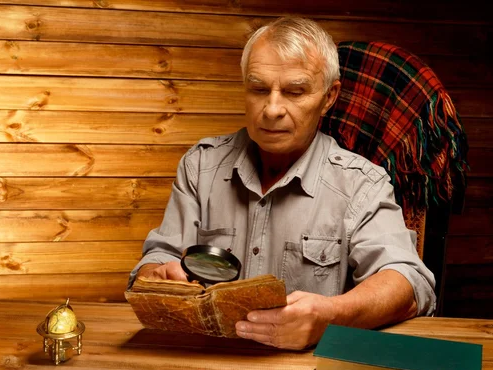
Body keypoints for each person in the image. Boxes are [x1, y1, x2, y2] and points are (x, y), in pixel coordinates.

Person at [128, 16, 436, 350]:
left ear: (329, 97)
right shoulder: (200, 166)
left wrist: (330, 316)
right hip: (205, 364)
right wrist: (155, 276)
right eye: (259, 89)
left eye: (295, 91)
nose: (272, 109)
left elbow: (408, 282)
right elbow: (159, 257)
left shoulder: (362, 184)